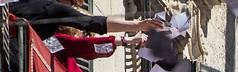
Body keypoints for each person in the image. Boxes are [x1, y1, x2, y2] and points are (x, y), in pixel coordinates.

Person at [8, 0, 164, 40]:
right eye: (73, 4)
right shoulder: (56, 8)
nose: (73, 7)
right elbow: (93, 23)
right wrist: (136, 25)